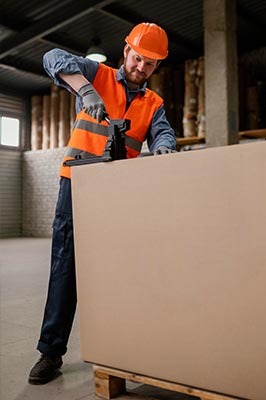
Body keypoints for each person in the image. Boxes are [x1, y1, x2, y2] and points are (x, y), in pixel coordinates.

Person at [28, 22, 176, 385]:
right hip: (76, 184)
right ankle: (51, 352)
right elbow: (52, 57)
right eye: (138, 58)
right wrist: (87, 90)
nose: (142, 68)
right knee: (66, 268)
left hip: (120, 193)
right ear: (126, 51)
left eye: (151, 64)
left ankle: (121, 348)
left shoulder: (153, 103)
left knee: (119, 272)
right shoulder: (99, 74)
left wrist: (163, 149)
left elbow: (163, 132)